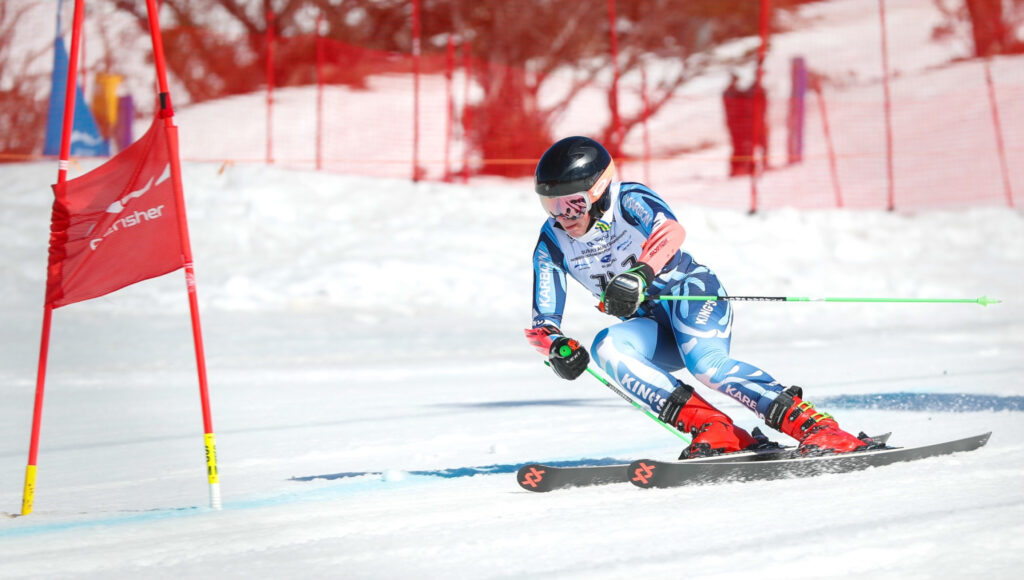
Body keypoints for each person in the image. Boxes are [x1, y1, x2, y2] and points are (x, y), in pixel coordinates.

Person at [524, 136, 871, 457]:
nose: (562, 216)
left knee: (706, 366)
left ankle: (816, 427)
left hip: (692, 297)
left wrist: (641, 274)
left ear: (598, 191)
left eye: (573, 204)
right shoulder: (553, 240)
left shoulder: (627, 199)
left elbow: (670, 230)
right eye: (550, 205)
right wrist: (556, 347)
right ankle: (716, 429)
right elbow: (543, 321)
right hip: (652, 326)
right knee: (606, 348)